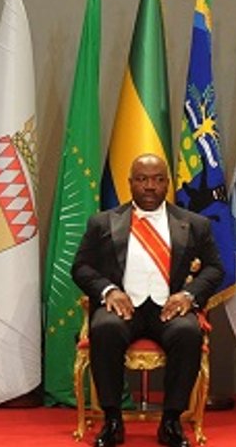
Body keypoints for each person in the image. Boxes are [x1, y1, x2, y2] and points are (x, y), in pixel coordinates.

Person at [72, 153, 225, 447]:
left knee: (188, 332)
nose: (150, 187)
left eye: (157, 180)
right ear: (130, 183)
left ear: (167, 183)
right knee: (104, 328)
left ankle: (171, 422)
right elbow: (80, 267)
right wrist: (108, 291)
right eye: (142, 179)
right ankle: (113, 420)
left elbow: (215, 268)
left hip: (169, 309)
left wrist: (189, 295)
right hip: (123, 307)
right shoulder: (103, 222)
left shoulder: (194, 224)